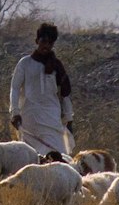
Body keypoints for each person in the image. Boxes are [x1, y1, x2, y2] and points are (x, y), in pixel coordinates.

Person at [9, 23, 74, 156]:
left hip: (51, 117)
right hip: (29, 118)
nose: (46, 46)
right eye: (44, 41)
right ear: (37, 41)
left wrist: (69, 119)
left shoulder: (57, 66)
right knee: (31, 157)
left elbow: (65, 94)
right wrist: (15, 112)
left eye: (50, 43)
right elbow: (15, 88)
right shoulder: (25, 63)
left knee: (58, 156)